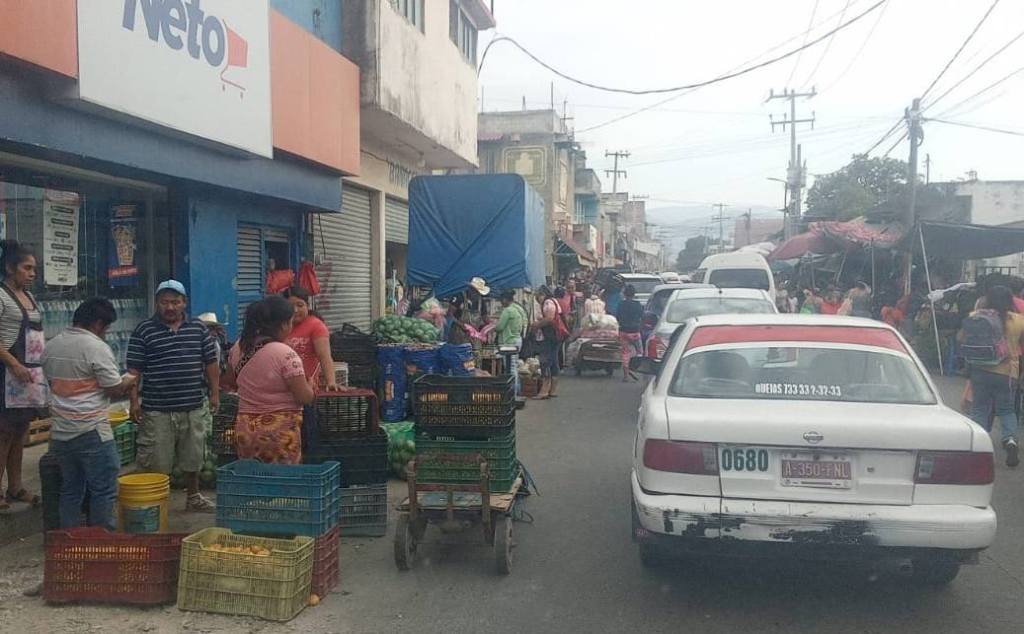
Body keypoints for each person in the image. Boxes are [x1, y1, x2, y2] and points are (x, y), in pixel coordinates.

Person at [42, 298, 138, 530]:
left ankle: (69, 542)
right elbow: (114, 388)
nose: (105, 333)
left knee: (71, 489)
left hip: (61, 434)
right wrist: (129, 380)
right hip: (91, 431)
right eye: (106, 328)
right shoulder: (96, 347)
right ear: (97, 323)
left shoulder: (52, 345)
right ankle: (101, 543)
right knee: (103, 490)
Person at [127, 280, 219, 512]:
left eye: (175, 302)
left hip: (193, 405)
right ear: (157, 303)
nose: (170, 307)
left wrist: (215, 393)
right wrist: (133, 401)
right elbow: (134, 371)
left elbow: (211, 363)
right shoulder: (144, 330)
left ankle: (194, 496)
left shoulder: (198, 328)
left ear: (184, 303)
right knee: (157, 460)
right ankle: (156, 503)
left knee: (194, 456)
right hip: (157, 407)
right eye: (165, 302)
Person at [224, 296, 316, 464]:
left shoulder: (239, 347)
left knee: (254, 480)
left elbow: (230, 380)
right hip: (279, 432)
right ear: (282, 325)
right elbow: (304, 397)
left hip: (245, 429)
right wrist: (310, 385)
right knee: (282, 483)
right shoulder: (285, 354)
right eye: (290, 323)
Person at [0, 240, 43, 511]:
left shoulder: (30, 297)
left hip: (28, 375)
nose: (32, 273)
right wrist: (12, 363)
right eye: (26, 268)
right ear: (9, 268)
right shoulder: (2, 296)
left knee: (20, 431)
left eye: (34, 269)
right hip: (6, 372)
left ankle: (15, 487)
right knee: (3, 433)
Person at [962, 285, 1023, 467]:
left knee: (980, 409)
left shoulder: (975, 317)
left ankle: (978, 448)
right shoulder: (1019, 320)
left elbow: (963, 338)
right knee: (1006, 410)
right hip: (1007, 372)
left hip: (980, 370)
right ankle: (1010, 440)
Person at [281, 287, 336, 389]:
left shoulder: (316, 325)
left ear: (308, 306)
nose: (295, 310)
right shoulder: (279, 326)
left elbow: (324, 356)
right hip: (281, 387)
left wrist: (331, 381)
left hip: (307, 388)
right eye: (290, 306)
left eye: (300, 305)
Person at [530, 286, 562, 399]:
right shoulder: (553, 301)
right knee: (553, 361)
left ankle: (544, 391)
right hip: (555, 337)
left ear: (542, 294)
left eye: (537, 297)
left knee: (545, 362)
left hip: (550, 337)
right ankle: (552, 390)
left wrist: (536, 325)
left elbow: (549, 318)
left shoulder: (548, 303)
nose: (537, 300)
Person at [496, 290, 528, 396]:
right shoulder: (518, 308)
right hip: (518, 340)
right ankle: (516, 391)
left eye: (501, 300)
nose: (501, 302)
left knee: (510, 367)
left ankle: (512, 394)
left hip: (509, 342)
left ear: (505, 300)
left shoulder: (508, 310)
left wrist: (492, 326)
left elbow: (500, 327)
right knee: (514, 366)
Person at [615, 285, 644, 382]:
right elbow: (642, 316)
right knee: (640, 352)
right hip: (635, 332)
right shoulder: (638, 304)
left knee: (625, 353)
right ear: (634, 294)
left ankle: (626, 374)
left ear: (624, 294)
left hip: (623, 331)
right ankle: (636, 369)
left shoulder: (621, 304)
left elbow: (617, 317)